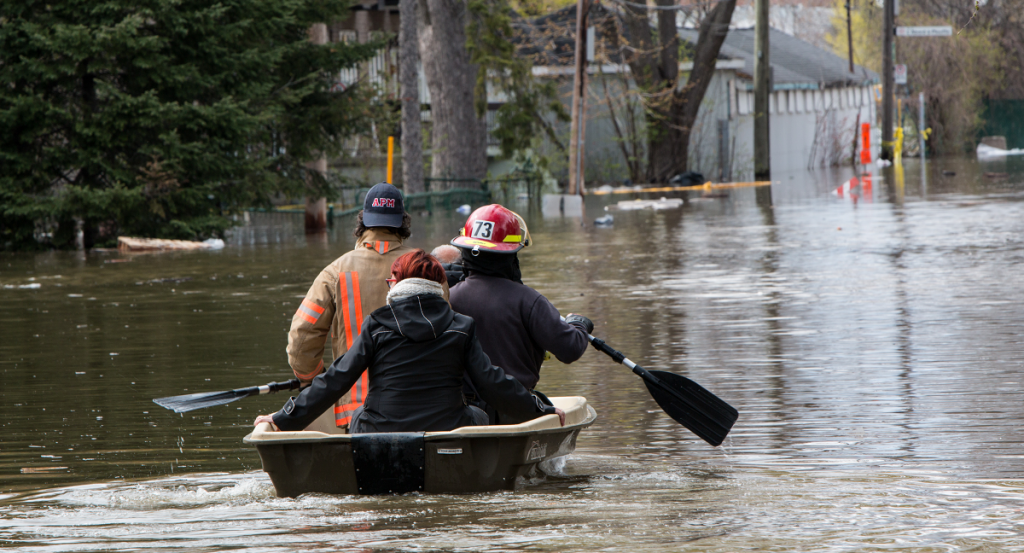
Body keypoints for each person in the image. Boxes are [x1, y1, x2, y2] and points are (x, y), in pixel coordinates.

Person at [256, 250, 565, 433]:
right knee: (480, 414)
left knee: (359, 415)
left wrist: (284, 419)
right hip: (448, 428)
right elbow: (493, 384)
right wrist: (540, 409)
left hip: (378, 430)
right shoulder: (460, 326)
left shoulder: (376, 324)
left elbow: (337, 379)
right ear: (439, 285)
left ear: (395, 283)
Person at [286, 182, 447, 430]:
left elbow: (302, 338)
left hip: (358, 411)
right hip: (425, 406)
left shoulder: (335, 272)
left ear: (362, 221)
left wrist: (313, 379)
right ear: (403, 222)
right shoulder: (427, 268)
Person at [448, 204, 593, 423]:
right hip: (517, 412)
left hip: (461, 414)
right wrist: (579, 324)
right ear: (510, 255)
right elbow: (570, 349)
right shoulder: (530, 302)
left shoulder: (446, 299)